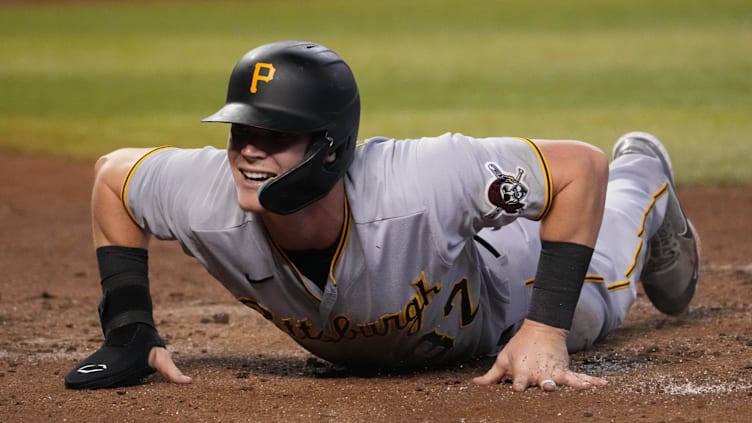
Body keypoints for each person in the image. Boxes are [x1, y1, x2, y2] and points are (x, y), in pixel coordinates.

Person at [64, 40, 700, 392]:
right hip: (421, 316)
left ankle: (644, 172)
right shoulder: (201, 194)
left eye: (275, 135)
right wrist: (128, 328)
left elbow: (577, 169)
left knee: (596, 289)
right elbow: (115, 177)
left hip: (504, 292)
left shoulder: (423, 179)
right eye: (240, 132)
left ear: (330, 148)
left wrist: (545, 329)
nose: (248, 151)